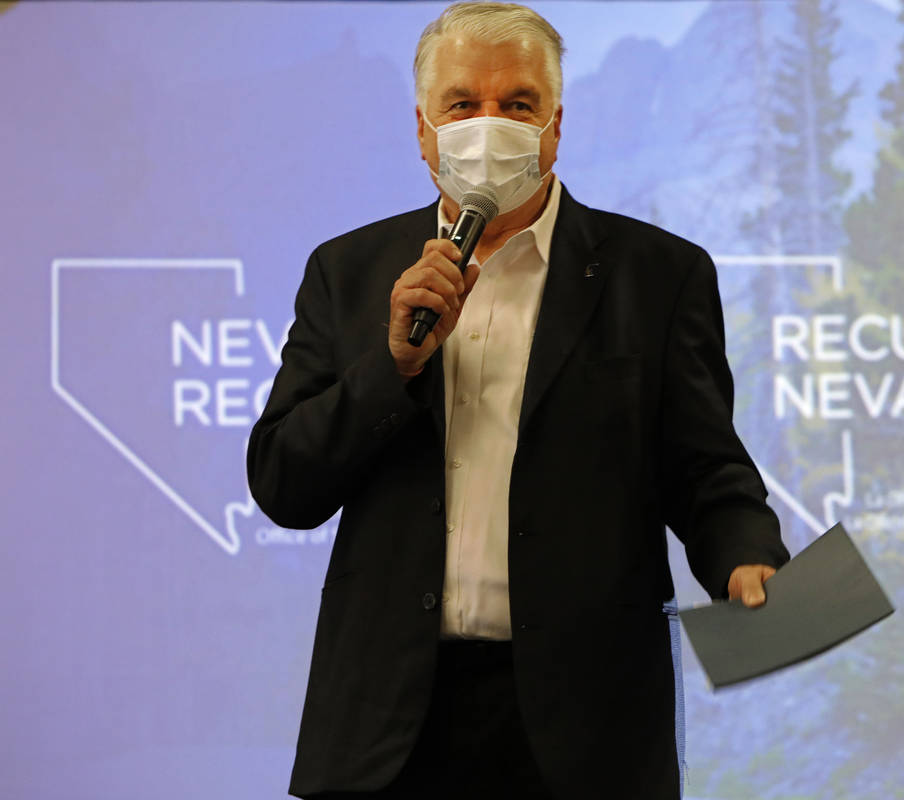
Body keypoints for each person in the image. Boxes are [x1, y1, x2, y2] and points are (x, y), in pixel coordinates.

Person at [247, 3, 789, 798]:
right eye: (463, 105)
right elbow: (284, 484)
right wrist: (390, 366)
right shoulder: (348, 271)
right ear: (424, 132)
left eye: (518, 105)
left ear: (556, 127)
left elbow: (708, 472)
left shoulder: (659, 275)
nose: (489, 127)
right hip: (387, 731)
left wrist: (747, 558)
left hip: (588, 727)